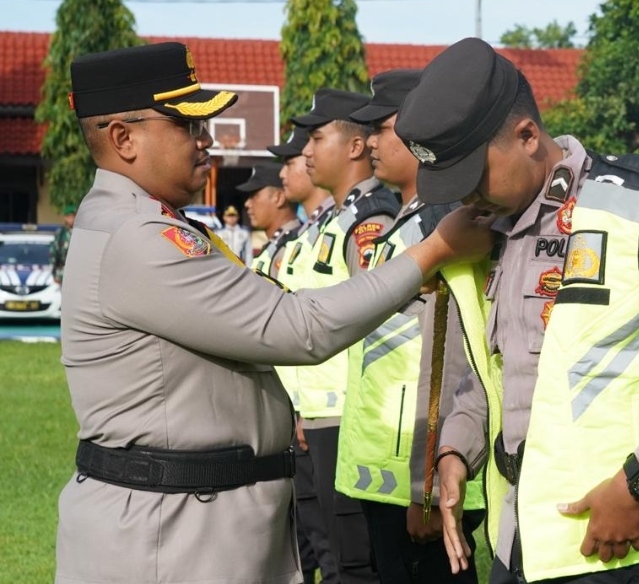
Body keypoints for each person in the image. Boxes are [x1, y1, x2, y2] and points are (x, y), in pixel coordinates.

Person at [56, 41, 493, 584]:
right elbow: (297, 328)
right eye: (187, 126)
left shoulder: (139, 222)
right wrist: (434, 252)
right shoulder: (139, 237)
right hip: (172, 533)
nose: (205, 140)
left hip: (188, 516)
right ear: (124, 138)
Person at [394, 37, 639, 583]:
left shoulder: (632, 211)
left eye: (473, 176)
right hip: (520, 543)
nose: (466, 197)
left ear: (528, 135)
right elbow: (496, 369)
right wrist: (456, 450)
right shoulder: (489, 229)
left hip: (621, 549)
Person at [338, 67, 485, 583]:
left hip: (423, 475)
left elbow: (452, 352)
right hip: (390, 473)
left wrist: (428, 485)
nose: (369, 142)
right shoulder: (407, 220)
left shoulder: (444, 223)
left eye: (381, 128)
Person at [288, 88, 400, 584]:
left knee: (354, 564)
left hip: (349, 413)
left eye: (316, 138)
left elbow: (377, 317)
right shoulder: (339, 219)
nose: (306, 151)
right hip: (322, 412)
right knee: (335, 553)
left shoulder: (369, 219)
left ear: (354, 146)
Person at [268, 123, 342, 584]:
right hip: (307, 408)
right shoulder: (310, 233)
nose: (284, 173)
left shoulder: (355, 225)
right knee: (313, 538)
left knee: (342, 553)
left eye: (291, 160)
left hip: (339, 412)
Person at [240, 162, 301, 279]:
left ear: (278, 198)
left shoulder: (293, 245)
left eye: (254, 195)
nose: (247, 203)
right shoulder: (277, 243)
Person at [49, 204, 75, 284]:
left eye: (73, 216)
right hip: (62, 272)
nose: (72, 219)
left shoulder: (80, 233)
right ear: (65, 218)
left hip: (77, 272)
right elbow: (54, 254)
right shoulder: (60, 234)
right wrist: (54, 273)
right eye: (69, 216)